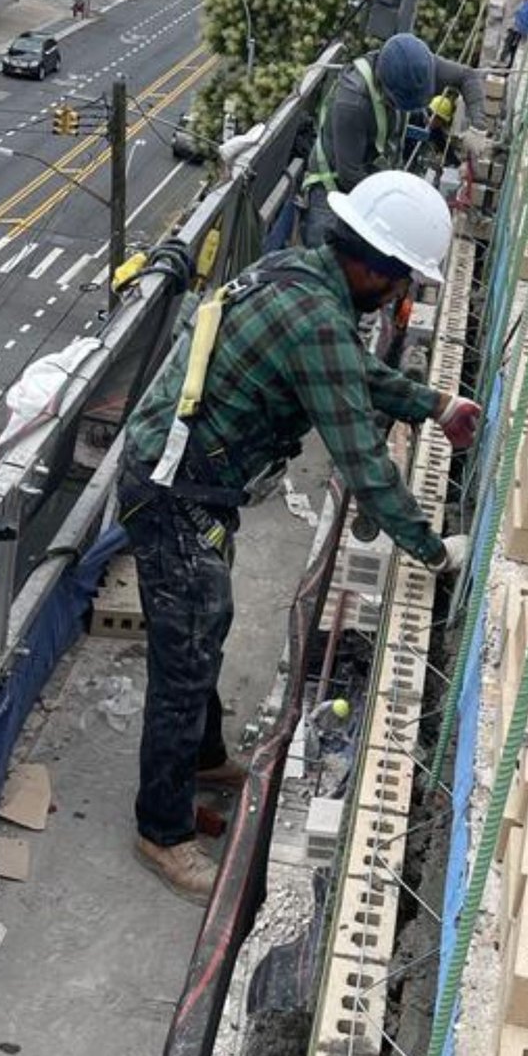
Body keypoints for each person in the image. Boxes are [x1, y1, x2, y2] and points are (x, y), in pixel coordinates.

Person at [119, 171, 481, 900]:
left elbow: (346, 376)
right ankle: (162, 832)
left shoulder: (297, 274)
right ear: (373, 268)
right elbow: (360, 458)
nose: (399, 294)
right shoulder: (315, 317)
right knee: (185, 654)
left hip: (188, 479)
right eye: (401, 279)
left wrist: (432, 404)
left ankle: (203, 758)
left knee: (204, 626)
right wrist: (434, 551)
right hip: (173, 489)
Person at [300, 33, 491, 247]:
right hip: (334, 190)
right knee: (333, 259)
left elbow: (467, 76)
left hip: (375, 169)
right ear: (386, 90)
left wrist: (478, 126)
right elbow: (350, 176)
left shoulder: (418, 65)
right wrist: (402, 203)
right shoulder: (352, 104)